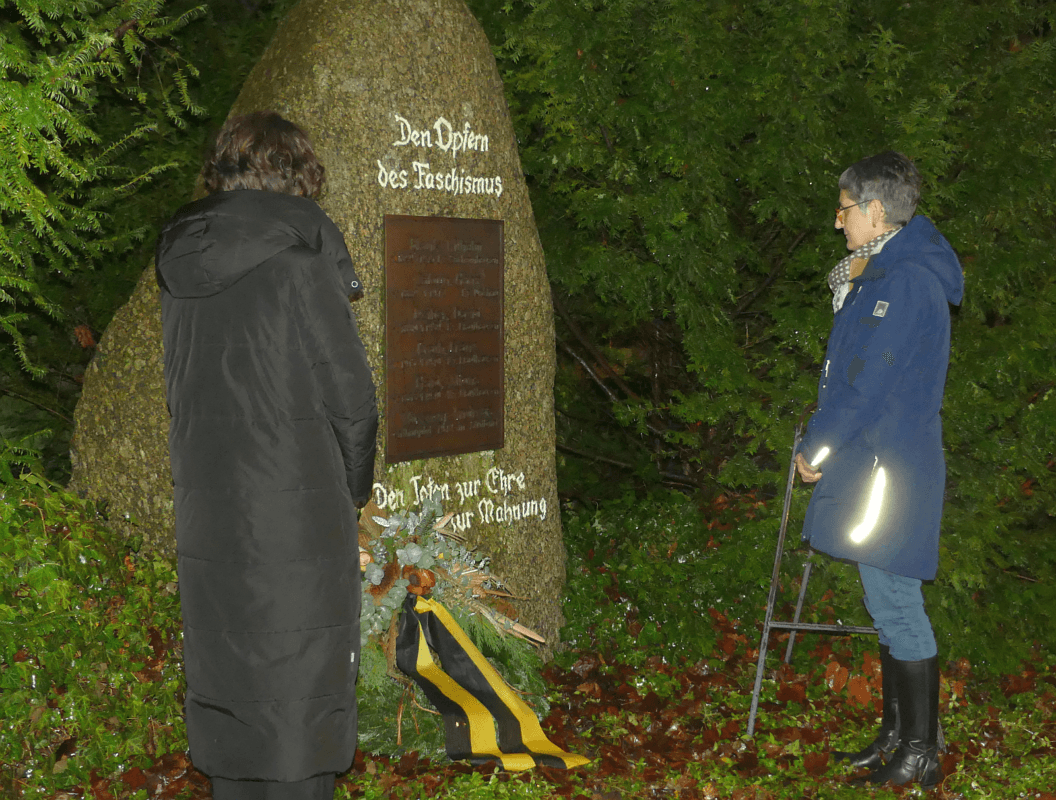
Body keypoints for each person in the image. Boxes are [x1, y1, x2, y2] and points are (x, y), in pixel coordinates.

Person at [156, 111, 378, 800]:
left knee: (231, 667)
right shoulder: (302, 265)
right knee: (297, 674)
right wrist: (355, 489)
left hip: (208, 507)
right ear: (299, 176)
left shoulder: (179, 267)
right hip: (297, 506)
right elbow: (352, 401)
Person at [793, 151, 963, 789]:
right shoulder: (880, 274)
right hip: (877, 461)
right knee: (884, 599)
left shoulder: (905, 282)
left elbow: (866, 383)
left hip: (892, 466)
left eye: (843, 210)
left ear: (873, 209)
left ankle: (921, 751)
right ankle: (898, 735)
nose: (837, 222)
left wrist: (819, 446)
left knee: (896, 601)